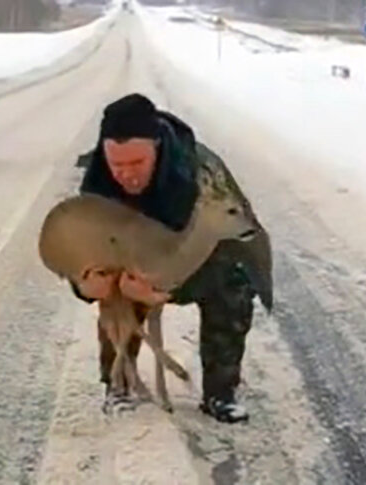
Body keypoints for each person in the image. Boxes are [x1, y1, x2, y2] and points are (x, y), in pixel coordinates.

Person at [72, 93, 272, 423]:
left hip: (202, 255)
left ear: (157, 148)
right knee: (112, 282)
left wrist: (161, 291)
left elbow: (237, 246)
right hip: (141, 256)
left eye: (137, 163)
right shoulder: (98, 180)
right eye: (117, 164)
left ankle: (220, 393)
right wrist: (85, 284)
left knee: (232, 281)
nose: (127, 174)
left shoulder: (204, 176)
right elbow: (82, 247)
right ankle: (119, 384)